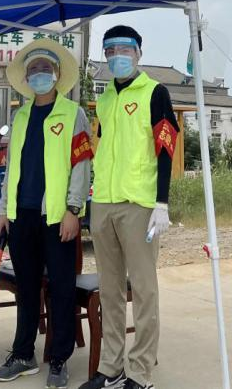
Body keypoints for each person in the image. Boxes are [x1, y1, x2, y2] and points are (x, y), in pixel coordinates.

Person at [80, 26, 180, 389]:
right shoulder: (106, 98)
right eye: (110, 50)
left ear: (138, 52)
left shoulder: (155, 92)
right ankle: (111, 367)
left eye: (124, 49)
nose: (117, 56)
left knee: (143, 289)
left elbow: (166, 148)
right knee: (110, 289)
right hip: (104, 203)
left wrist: (161, 203)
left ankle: (140, 372)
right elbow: (102, 148)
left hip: (139, 205)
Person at [0, 39, 92, 388]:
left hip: (57, 217)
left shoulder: (73, 113)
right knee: (27, 287)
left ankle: (59, 359)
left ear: (57, 74)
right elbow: (11, 169)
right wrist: (3, 210)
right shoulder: (20, 116)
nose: (39, 74)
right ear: (26, 77)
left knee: (62, 288)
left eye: (45, 69)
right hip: (21, 216)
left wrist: (74, 210)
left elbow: (82, 165)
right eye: (33, 70)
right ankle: (23, 354)